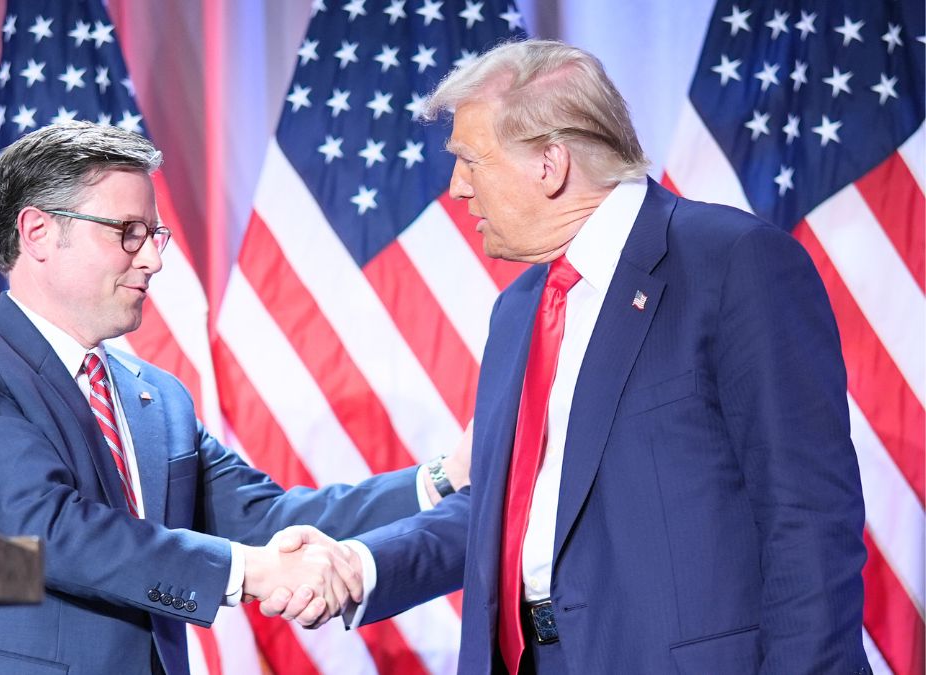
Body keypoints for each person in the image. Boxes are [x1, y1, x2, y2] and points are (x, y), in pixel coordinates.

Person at [307, 39, 869, 674]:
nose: (458, 189)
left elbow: (808, 516)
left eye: (470, 160)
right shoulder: (520, 308)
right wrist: (360, 564)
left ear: (550, 162)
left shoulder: (731, 263)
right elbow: (504, 507)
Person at [0, 121, 470, 675]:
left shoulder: (156, 398)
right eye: (127, 233)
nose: (154, 259)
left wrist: (440, 478)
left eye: (153, 234)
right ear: (38, 232)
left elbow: (264, 519)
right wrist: (251, 571)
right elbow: (50, 530)